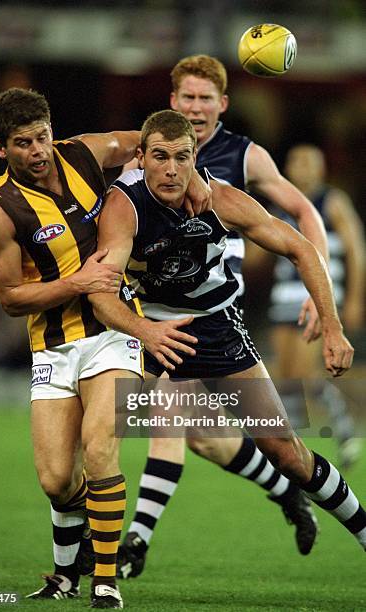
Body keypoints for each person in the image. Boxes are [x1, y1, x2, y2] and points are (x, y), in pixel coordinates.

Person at [87, 112, 365, 593]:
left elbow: (302, 248)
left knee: (284, 452)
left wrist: (334, 325)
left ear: (196, 159)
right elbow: (100, 292)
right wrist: (144, 331)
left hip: (215, 326)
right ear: (141, 159)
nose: (171, 170)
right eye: (160, 157)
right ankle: (102, 560)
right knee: (110, 437)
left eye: (181, 158)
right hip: (145, 329)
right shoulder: (124, 205)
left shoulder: (223, 199)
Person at [0, 88, 211, 609]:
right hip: (53, 346)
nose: (38, 151)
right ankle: (66, 574)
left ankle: (103, 582)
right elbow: (13, 299)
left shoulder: (84, 152)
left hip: (115, 332)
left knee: (102, 452)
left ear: (51, 130)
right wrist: (78, 283)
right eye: (23, 143)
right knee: (57, 479)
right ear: (1, 149)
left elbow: (153, 142)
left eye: (42, 137)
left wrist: (191, 173)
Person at [116, 55, 330, 577]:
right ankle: (286, 489)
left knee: (170, 420)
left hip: (217, 306)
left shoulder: (246, 157)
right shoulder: (145, 153)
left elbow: (303, 211)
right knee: (202, 436)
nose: (195, 107)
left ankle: (135, 543)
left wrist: (317, 285)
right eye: (186, 97)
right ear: (172, 102)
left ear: (222, 105)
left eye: (204, 98)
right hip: (164, 305)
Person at [267, 144, 365, 468]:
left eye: (310, 162)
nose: (303, 167)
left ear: (321, 169)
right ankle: (293, 448)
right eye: (297, 161)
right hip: (283, 298)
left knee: (305, 376)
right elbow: (257, 254)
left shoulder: (332, 202)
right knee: (285, 378)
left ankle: (344, 429)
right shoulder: (280, 206)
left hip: (318, 297)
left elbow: (355, 249)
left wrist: (353, 298)